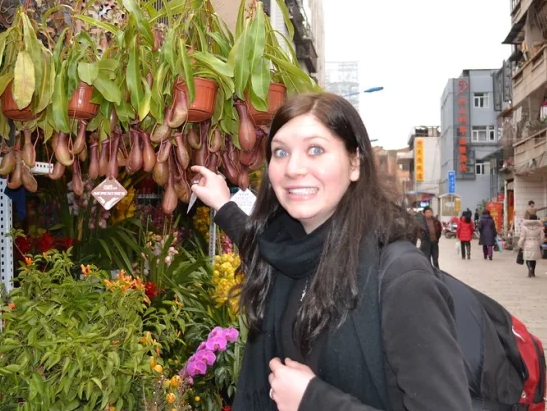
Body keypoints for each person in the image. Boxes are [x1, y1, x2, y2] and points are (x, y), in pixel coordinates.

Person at [190, 92, 471, 410]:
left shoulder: (401, 279)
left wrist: (313, 399)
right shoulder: (287, 253)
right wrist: (223, 204)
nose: (294, 168)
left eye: (315, 150)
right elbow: (257, 245)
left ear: (355, 164)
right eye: (281, 152)